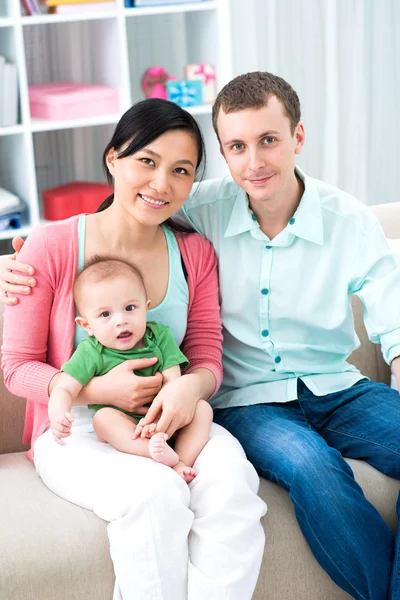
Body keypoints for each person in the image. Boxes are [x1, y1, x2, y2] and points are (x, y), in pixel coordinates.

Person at [0, 98, 266, 600]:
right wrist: (95, 389)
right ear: (113, 159)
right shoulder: (52, 247)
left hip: (173, 419)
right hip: (77, 430)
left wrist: (189, 386)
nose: (161, 184)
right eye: (146, 161)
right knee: (154, 493)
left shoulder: (193, 252)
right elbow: (15, 367)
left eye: (181, 170)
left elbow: (208, 354)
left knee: (232, 487)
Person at [50, 255, 212, 484]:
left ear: (146, 308)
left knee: (203, 409)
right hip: (125, 423)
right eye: (105, 314)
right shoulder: (91, 351)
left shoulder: (159, 335)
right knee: (103, 419)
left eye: (130, 308)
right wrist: (58, 413)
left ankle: (181, 461)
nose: (121, 321)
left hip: (166, 418)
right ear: (86, 325)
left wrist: (164, 417)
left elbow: (173, 380)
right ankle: (152, 452)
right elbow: (64, 388)